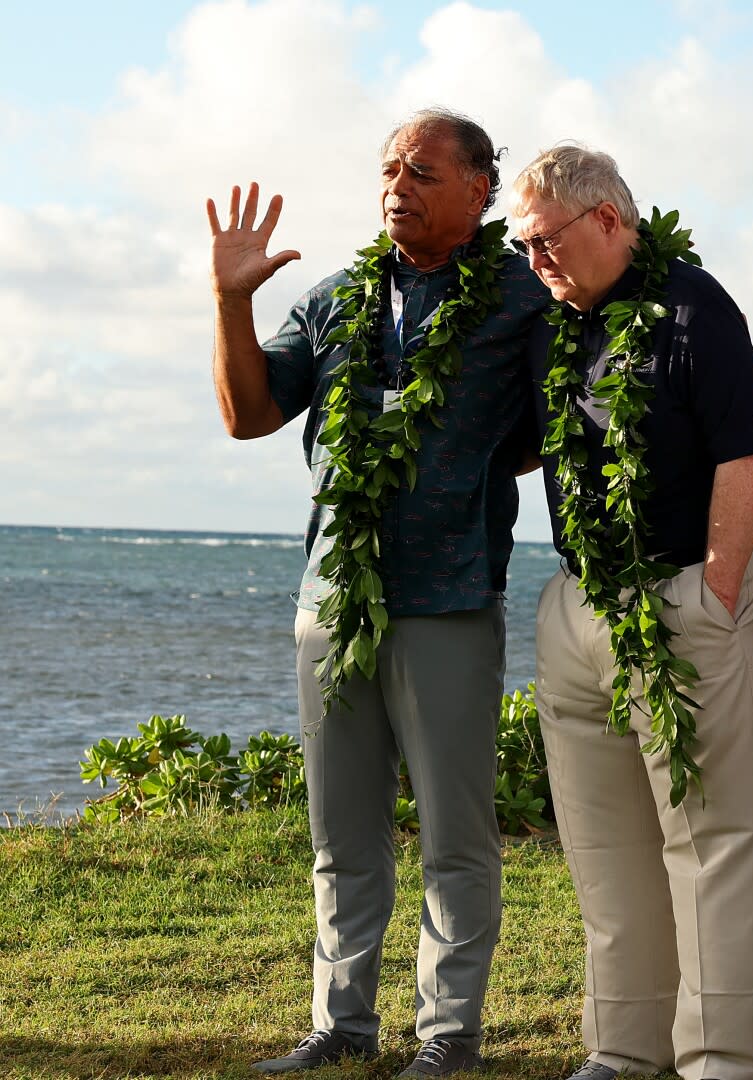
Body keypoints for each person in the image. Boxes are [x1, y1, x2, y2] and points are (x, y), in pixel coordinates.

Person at [208, 108, 546, 1078]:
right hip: (334, 597)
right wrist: (231, 301)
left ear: (481, 192)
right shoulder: (339, 297)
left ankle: (447, 1034)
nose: (398, 183)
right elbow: (249, 413)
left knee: (454, 835)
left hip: (447, 600)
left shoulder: (522, 298)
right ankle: (341, 1022)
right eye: (390, 169)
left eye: (425, 172)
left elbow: (551, 423)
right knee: (342, 833)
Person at [510, 143, 753, 1080]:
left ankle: (721, 1060)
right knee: (607, 850)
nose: (534, 259)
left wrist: (715, 591)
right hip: (582, 603)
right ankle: (622, 1050)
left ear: (610, 222)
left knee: (715, 845)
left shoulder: (696, 309)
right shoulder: (551, 325)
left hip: (685, 594)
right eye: (523, 244)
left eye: (544, 240)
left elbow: (744, 457)